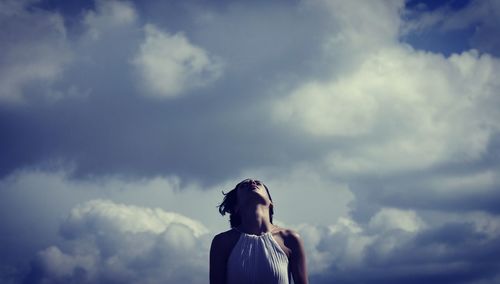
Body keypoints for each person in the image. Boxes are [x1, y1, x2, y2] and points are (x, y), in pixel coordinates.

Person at [210, 178, 308, 284]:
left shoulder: (290, 239)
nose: (252, 183)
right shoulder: (222, 242)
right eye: (244, 185)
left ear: (271, 203)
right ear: (236, 207)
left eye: (258, 183)